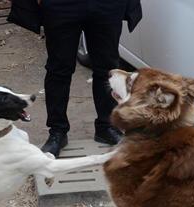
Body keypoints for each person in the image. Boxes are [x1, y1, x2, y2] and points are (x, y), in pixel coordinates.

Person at [8, 0, 142, 157]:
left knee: (107, 67)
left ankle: (106, 127)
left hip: (107, 5)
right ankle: (57, 131)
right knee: (58, 70)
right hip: (62, 5)